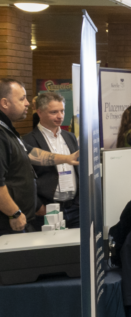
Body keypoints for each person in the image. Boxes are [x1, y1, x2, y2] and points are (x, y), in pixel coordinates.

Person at [1, 79, 79, 235]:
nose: (28, 103)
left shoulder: (9, 131)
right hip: (12, 221)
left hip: (70, 209)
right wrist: (14, 212)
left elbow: (32, 153)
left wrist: (66, 159)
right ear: (5, 103)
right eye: (22, 98)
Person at [21, 91, 80, 228]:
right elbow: (25, 179)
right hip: (47, 210)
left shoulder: (70, 137)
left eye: (62, 111)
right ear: (39, 112)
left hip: (75, 208)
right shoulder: (28, 141)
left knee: (77, 248)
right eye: (54, 112)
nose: (60, 116)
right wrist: (38, 205)